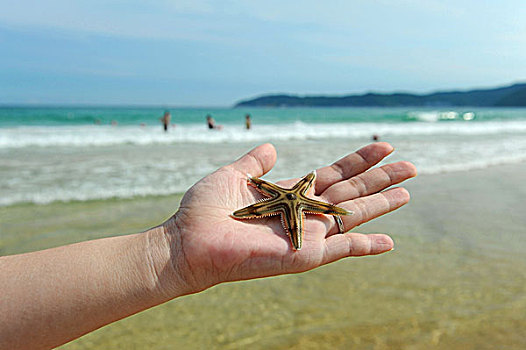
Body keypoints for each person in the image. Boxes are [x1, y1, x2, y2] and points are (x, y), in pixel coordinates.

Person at [0, 142, 416, 349]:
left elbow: (296, 195)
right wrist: (177, 249)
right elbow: (283, 194)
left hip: (300, 202)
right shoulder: (284, 198)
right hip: (291, 204)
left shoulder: (290, 198)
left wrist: (172, 251)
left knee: (305, 203)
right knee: (302, 203)